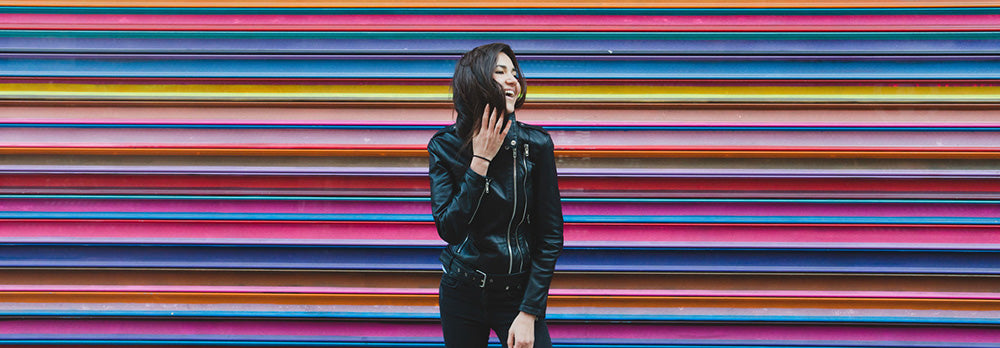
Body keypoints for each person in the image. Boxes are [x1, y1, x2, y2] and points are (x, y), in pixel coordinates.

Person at [427, 43, 564, 348]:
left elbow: (551, 236)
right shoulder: (444, 146)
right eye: (500, 72)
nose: (513, 79)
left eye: (514, 73)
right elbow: (449, 228)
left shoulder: (535, 145)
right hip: (462, 291)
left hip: (516, 295)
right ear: (475, 81)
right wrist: (480, 161)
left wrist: (529, 311)